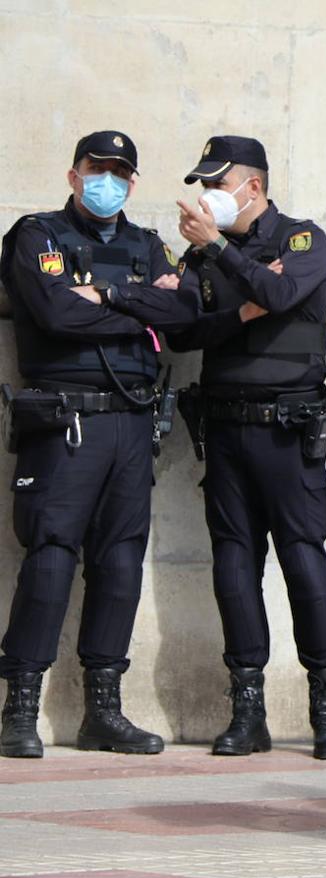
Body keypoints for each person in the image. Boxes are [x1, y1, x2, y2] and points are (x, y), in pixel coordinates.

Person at [0, 131, 194, 758]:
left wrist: (109, 296)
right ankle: (19, 707)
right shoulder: (37, 235)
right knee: (52, 556)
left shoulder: (146, 244)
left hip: (132, 422)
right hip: (66, 422)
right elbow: (54, 316)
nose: (106, 180)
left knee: (119, 563)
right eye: (96, 169)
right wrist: (143, 308)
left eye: (118, 172)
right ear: (74, 173)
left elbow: (186, 317)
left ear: (133, 183)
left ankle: (101, 711)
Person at [169, 136, 326, 761]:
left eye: (217, 185)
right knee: (234, 570)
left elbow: (278, 295)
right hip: (225, 429)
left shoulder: (302, 240)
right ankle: (248, 710)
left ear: (252, 186)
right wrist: (239, 312)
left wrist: (222, 254)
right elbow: (180, 329)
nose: (207, 197)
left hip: (288, 430)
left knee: (303, 563)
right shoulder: (203, 258)